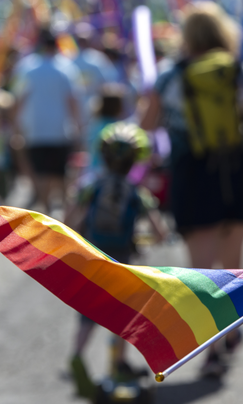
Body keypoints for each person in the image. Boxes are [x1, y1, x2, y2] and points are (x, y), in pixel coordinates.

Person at [140, 1, 243, 377]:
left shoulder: (169, 75)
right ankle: (231, 331)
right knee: (233, 263)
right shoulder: (240, 71)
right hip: (235, 170)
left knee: (201, 271)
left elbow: (147, 124)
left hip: (191, 173)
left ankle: (213, 347)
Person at [63, 122, 168, 399]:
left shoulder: (91, 185)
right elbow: (160, 233)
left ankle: (76, 356)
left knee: (88, 315)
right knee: (123, 316)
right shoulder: (136, 191)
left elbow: (67, 221)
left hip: (92, 259)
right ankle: (116, 367)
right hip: (122, 261)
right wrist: (139, 240)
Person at [11, 28, 84, 216]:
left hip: (35, 129)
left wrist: (15, 127)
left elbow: (18, 99)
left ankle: (46, 211)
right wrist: (78, 127)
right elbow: (72, 100)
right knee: (60, 174)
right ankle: (62, 215)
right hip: (60, 129)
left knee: (41, 172)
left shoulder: (27, 67)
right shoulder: (66, 68)